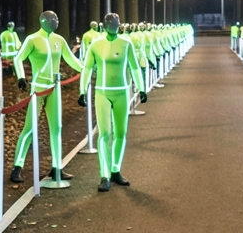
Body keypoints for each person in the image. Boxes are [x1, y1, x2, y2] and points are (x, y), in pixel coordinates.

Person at [11, 11, 85, 184]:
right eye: (52, 20)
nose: (55, 22)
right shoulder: (32, 39)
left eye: (57, 19)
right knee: (30, 128)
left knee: (57, 127)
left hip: (54, 87)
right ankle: (17, 167)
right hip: (38, 88)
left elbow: (70, 59)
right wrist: (21, 76)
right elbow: (18, 58)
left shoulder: (59, 40)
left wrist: (85, 70)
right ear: (42, 21)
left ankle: (57, 167)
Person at [78, 13, 147, 191]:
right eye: (110, 23)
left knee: (121, 133)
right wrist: (82, 90)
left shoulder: (126, 44)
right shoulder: (96, 44)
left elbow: (134, 67)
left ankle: (116, 169)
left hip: (122, 92)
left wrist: (141, 88)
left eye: (116, 23)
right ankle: (104, 174)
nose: (113, 26)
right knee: (105, 133)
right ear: (104, 25)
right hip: (102, 93)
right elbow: (87, 67)